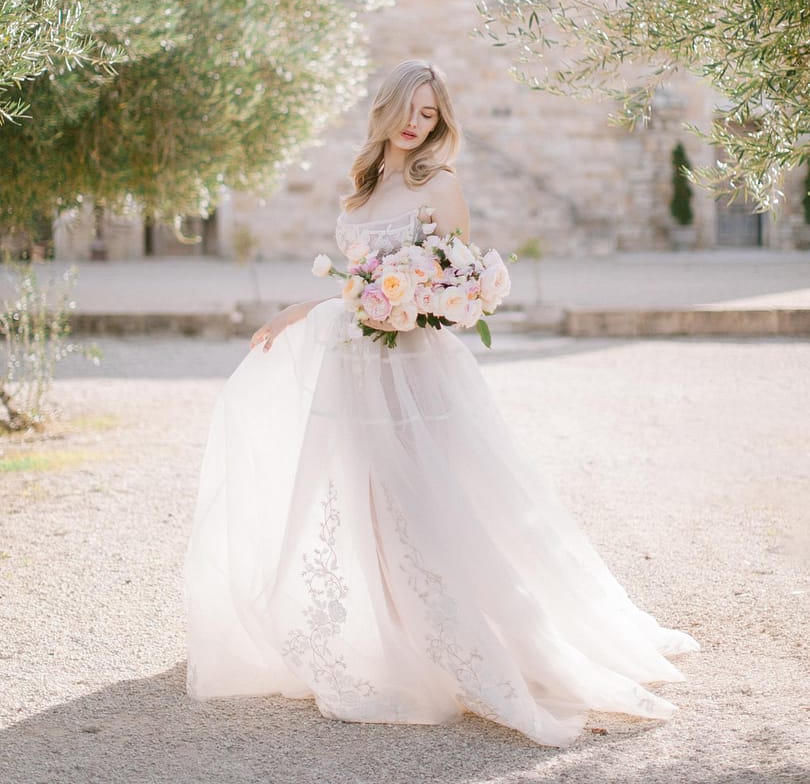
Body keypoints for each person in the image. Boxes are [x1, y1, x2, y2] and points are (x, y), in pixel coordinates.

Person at [184, 59, 697, 748]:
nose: (415, 122)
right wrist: (296, 310)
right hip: (355, 368)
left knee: (431, 498)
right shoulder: (361, 191)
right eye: (408, 109)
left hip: (416, 372)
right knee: (366, 500)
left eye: (428, 113)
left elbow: (452, 290)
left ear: (439, 120)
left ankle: (467, 640)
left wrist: (412, 303)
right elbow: (355, 287)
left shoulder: (441, 185)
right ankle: (395, 637)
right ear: (385, 108)